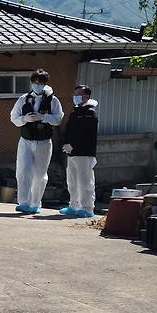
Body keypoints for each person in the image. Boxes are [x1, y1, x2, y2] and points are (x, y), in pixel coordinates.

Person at [10, 69, 64, 214]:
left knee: (40, 174)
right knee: (23, 171)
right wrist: (24, 119)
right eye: (35, 82)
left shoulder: (53, 100)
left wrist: (43, 117)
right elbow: (13, 117)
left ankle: (35, 203)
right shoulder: (23, 99)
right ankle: (23, 202)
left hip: (44, 141)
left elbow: (58, 119)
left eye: (40, 83)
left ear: (45, 84)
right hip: (26, 140)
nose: (37, 85)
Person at [59, 85, 98, 218]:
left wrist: (73, 145)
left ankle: (87, 208)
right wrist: (66, 144)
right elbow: (69, 131)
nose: (75, 97)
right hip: (72, 152)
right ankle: (74, 205)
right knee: (72, 180)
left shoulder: (90, 113)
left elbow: (86, 134)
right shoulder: (75, 112)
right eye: (75, 94)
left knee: (85, 181)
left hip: (84, 152)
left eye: (79, 94)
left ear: (86, 96)